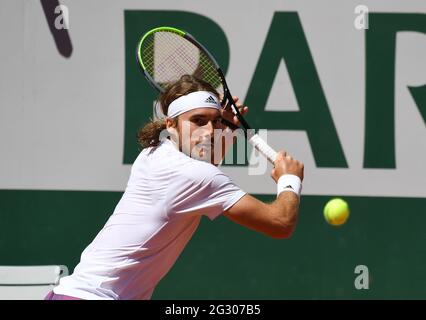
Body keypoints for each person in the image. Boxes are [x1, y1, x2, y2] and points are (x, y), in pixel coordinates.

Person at [46, 75, 304, 300]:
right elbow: (280, 223)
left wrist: (226, 128)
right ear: (171, 125)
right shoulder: (193, 175)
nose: (209, 131)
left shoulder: (154, 152)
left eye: (215, 122)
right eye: (198, 120)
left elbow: (207, 166)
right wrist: (289, 180)